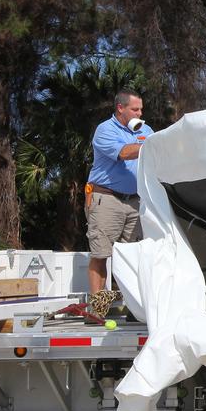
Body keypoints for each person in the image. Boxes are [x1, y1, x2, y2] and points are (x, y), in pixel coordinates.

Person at [86, 88, 152, 301]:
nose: (140, 114)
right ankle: (98, 308)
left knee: (132, 256)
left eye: (141, 109)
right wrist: (151, 145)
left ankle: (132, 306)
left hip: (135, 202)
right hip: (107, 199)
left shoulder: (146, 130)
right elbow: (124, 153)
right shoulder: (105, 130)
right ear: (120, 108)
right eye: (135, 109)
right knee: (101, 254)